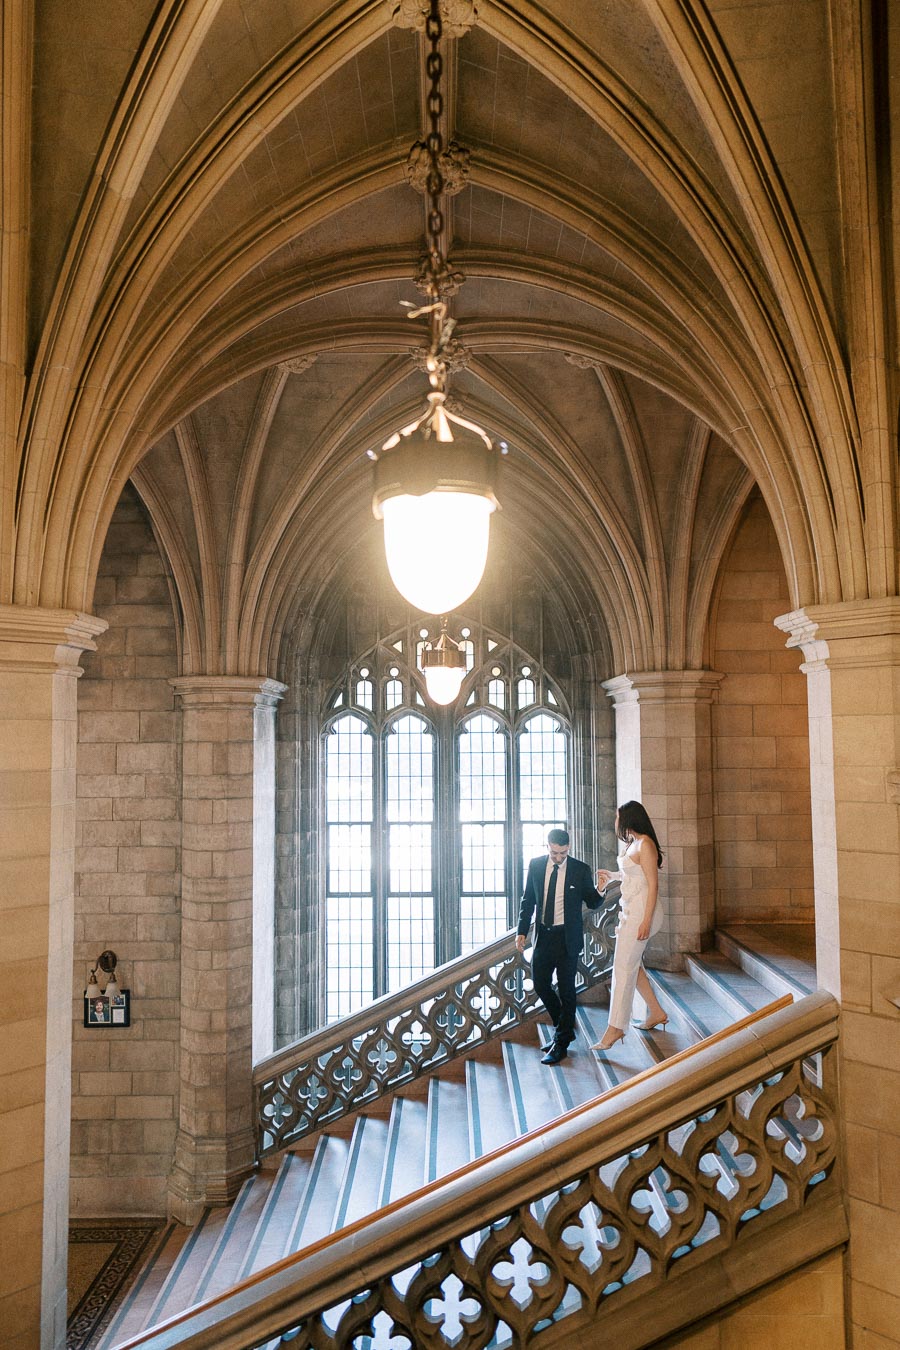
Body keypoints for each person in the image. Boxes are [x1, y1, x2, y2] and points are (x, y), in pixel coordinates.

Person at [516, 828, 605, 1064]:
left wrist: (602, 887)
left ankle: (561, 1043)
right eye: (555, 853)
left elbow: (593, 902)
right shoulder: (536, 866)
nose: (558, 858)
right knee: (541, 984)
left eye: (563, 853)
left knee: (567, 991)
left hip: (568, 939)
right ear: (547, 847)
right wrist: (521, 931)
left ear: (568, 849)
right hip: (543, 937)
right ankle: (563, 1029)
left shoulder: (579, 869)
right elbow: (528, 900)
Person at [593, 800, 667, 1050]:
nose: (615, 821)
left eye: (618, 817)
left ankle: (615, 1028)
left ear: (628, 819)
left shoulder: (645, 844)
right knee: (632, 966)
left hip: (642, 914)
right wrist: (611, 876)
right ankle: (656, 1012)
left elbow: (653, 885)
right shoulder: (633, 843)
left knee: (622, 968)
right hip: (631, 911)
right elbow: (631, 875)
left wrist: (646, 921)